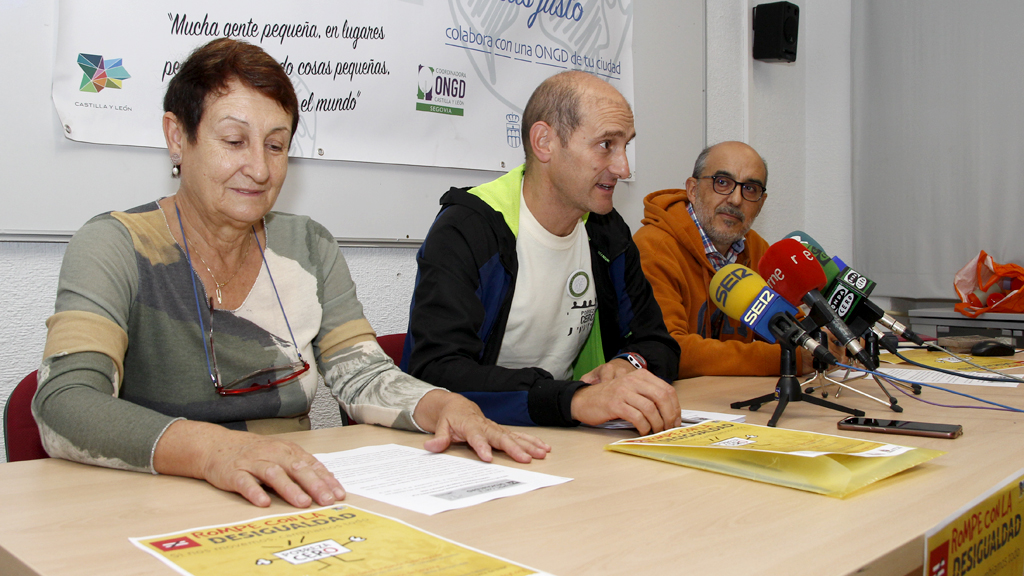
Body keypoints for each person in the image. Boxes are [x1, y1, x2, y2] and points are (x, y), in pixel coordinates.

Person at [33, 38, 548, 509]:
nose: (260, 168)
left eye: (276, 146)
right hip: (153, 503)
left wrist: (442, 405)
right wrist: (214, 451)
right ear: (177, 137)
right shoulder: (114, 244)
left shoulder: (309, 245)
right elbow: (65, 404)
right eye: (234, 141)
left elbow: (362, 375)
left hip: (287, 499)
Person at [401, 71, 681, 435]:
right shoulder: (467, 229)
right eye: (606, 145)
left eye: (625, 145)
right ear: (545, 142)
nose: (624, 168)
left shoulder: (607, 232)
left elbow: (658, 342)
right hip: (472, 437)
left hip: (566, 434)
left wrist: (628, 364)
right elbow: (436, 371)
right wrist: (572, 398)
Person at [633, 141, 805, 378]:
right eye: (722, 183)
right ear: (693, 190)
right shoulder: (654, 247)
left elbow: (792, 328)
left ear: (761, 204)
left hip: (731, 401)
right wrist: (790, 359)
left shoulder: (758, 251)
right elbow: (670, 351)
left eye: (750, 189)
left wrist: (822, 340)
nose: (735, 200)